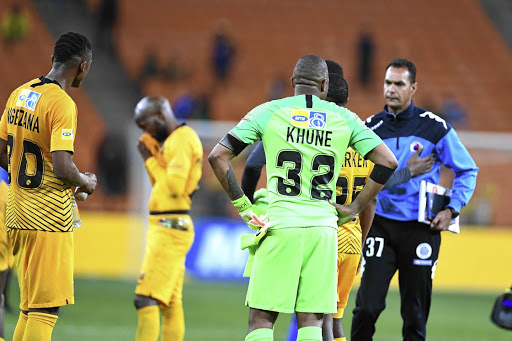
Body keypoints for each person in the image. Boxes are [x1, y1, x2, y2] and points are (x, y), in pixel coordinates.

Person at [208, 54, 398, 341]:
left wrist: (244, 208)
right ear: (324, 84)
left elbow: (218, 156)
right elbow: (388, 162)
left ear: (293, 82)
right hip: (323, 231)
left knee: (261, 318)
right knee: (311, 319)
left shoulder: (269, 111)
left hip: (281, 225)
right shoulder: (345, 118)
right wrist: (353, 207)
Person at [352, 58, 479, 341]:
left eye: (399, 84)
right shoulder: (368, 129)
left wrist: (452, 210)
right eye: (388, 83)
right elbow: (359, 179)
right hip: (380, 226)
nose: (391, 89)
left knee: (415, 315)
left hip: (421, 229)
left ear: (413, 88)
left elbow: (467, 169)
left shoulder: (435, 128)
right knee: (367, 308)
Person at [0, 31, 97, 341]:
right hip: (48, 221)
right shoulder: (62, 104)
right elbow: (64, 166)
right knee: (45, 310)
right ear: (82, 66)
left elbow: (2, 151)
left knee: (30, 307)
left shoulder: (19, 93)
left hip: (17, 215)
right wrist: (86, 182)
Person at [133, 96, 203, 341]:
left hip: (170, 225)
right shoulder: (175, 141)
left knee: (145, 298)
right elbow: (161, 186)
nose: (146, 131)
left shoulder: (181, 140)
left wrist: (150, 159)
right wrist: (152, 159)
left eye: (146, 125)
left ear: (160, 115)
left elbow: (173, 187)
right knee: (170, 303)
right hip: (172, 222)